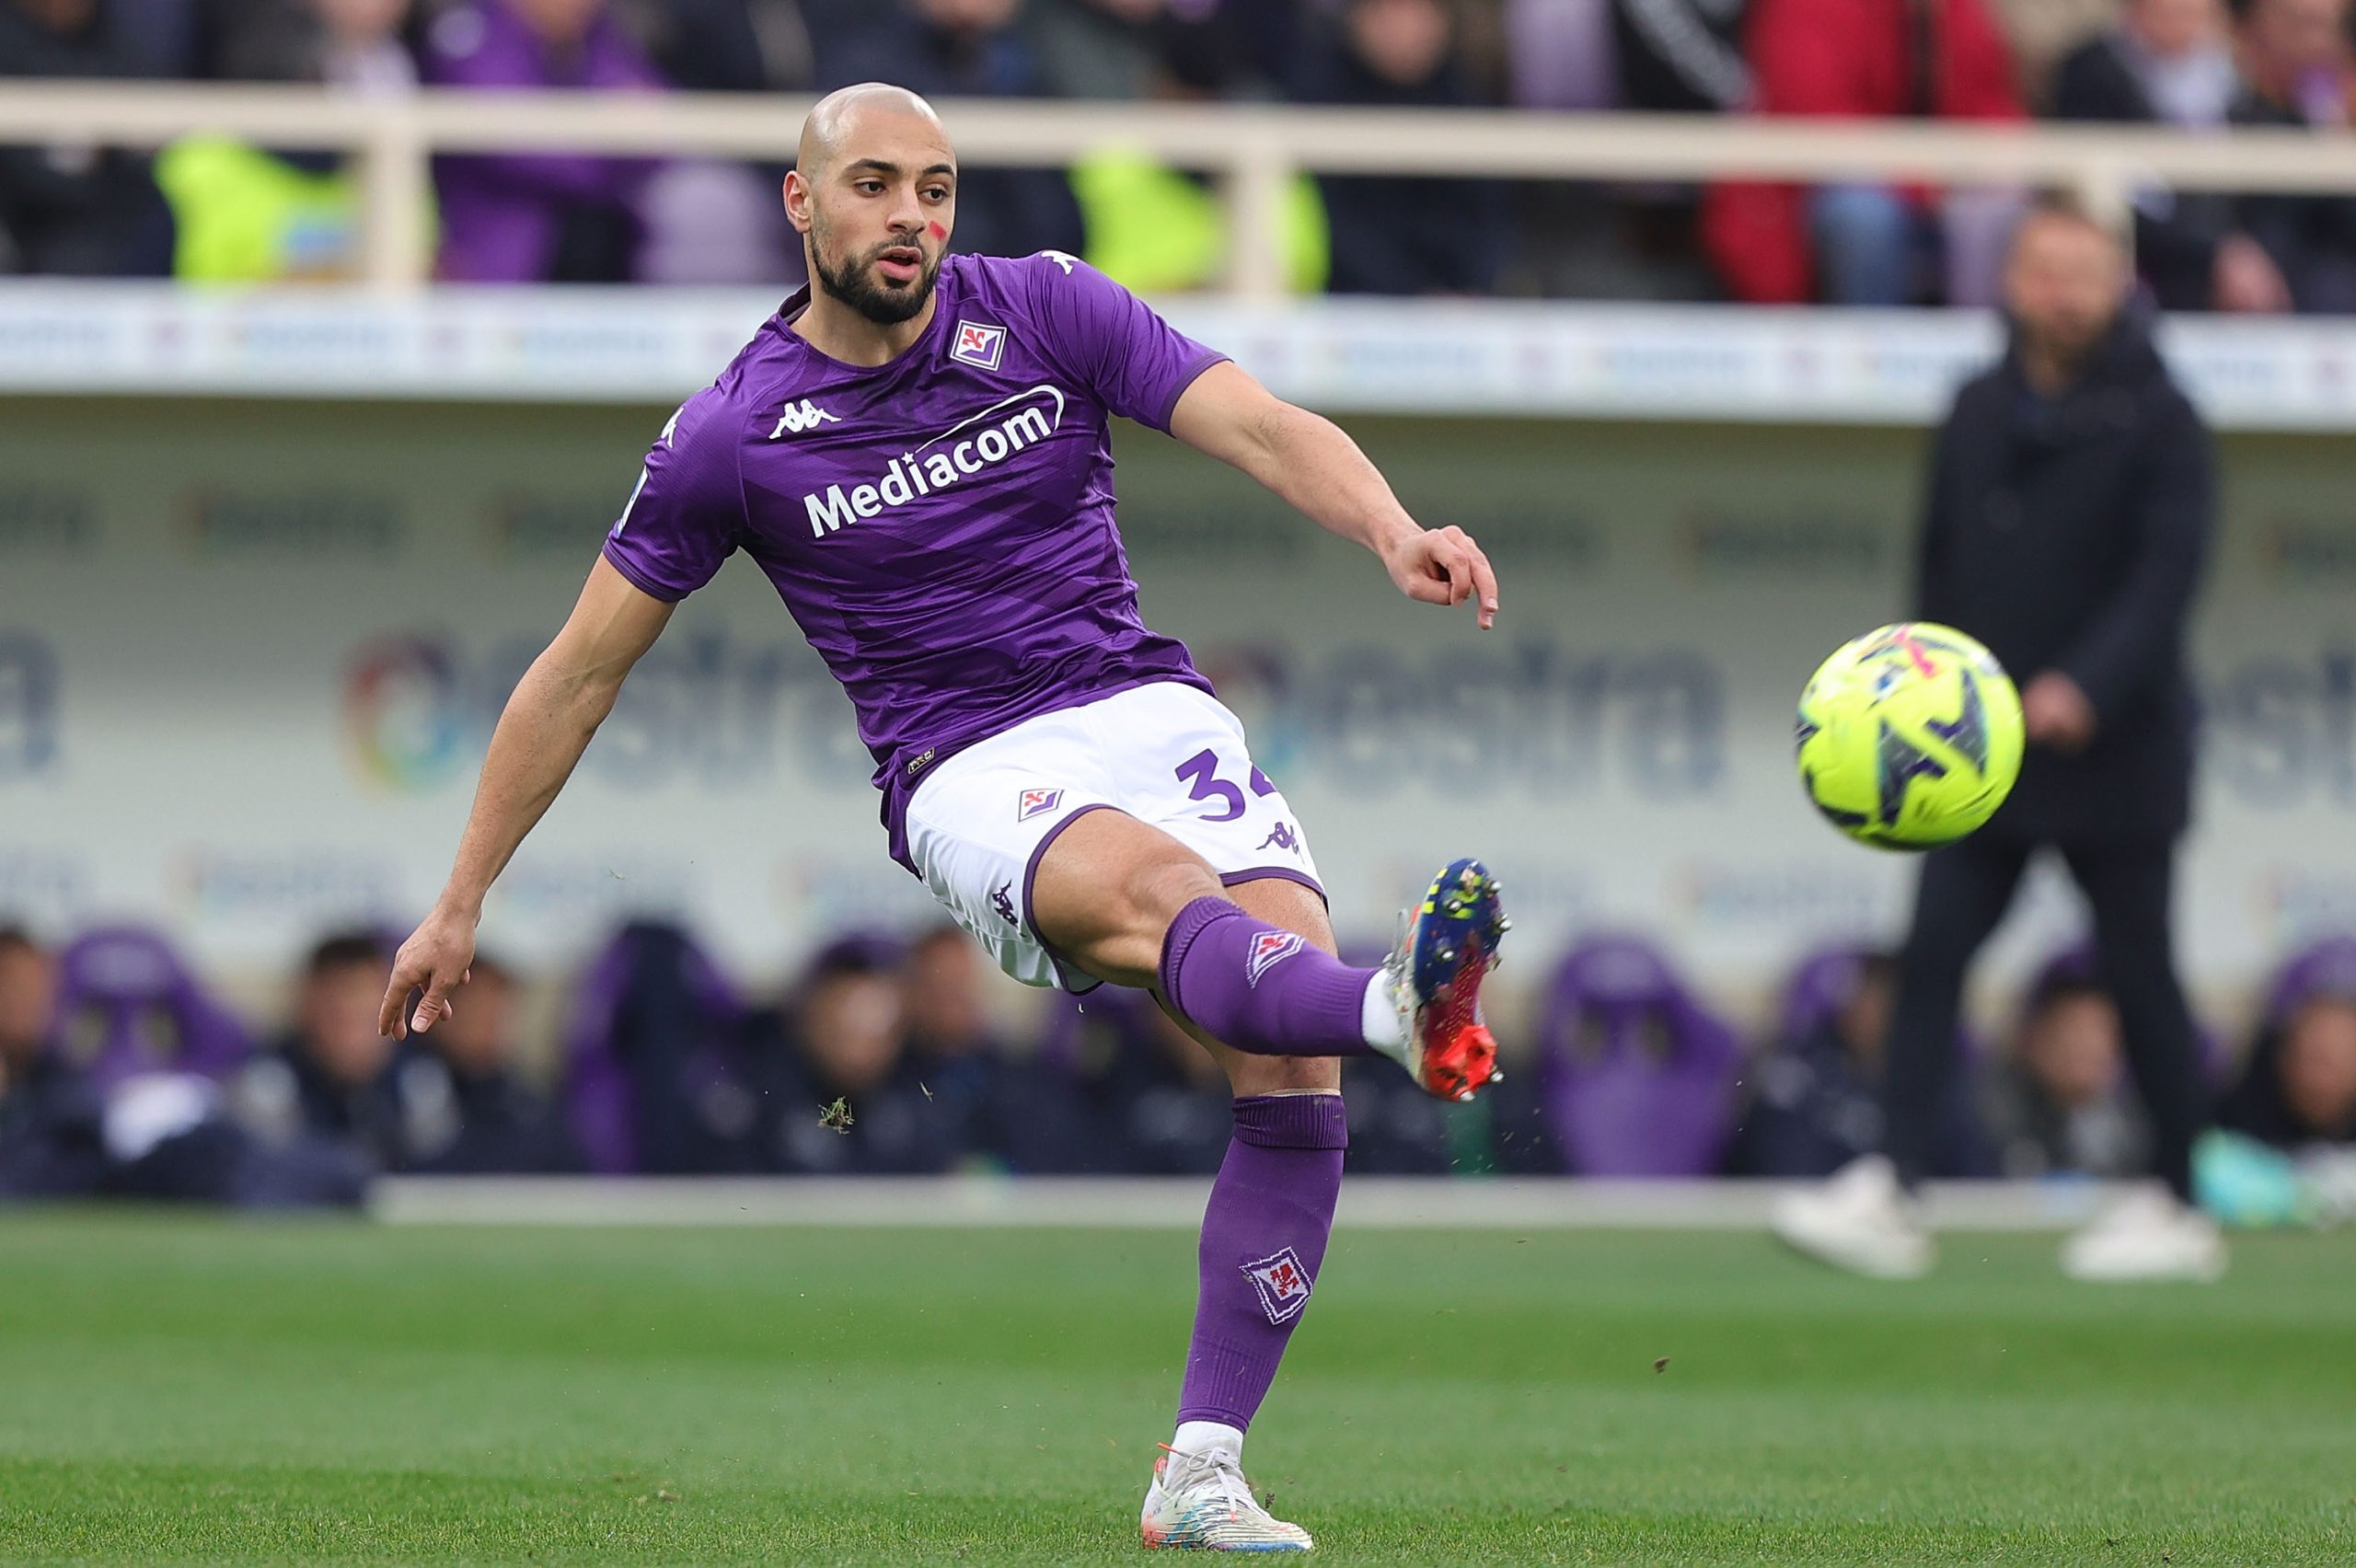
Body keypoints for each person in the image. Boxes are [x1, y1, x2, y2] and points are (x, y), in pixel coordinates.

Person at [377, 83, 1510, 1551]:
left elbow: (1259, 424)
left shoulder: (1043, 307)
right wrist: (461, 896)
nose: (909, 215)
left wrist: (1392, 527)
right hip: (971, 766)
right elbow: (578, 672)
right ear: (802, 205)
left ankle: (1204, 1467)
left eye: (934, 186)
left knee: (1290, 1071)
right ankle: (1401, 1010)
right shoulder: (733, 432)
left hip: (1146, 709)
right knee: (1181, 901)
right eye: (872, 186)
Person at [1773, 194, 2223, 1283]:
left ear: (2117, 280)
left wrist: (2082, 690)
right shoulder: (1975, 405)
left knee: (2139, 972)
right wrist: (1907, 684)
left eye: (2077, 270)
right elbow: (1936, 574)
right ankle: (1895, 1185)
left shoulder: (2165, 419)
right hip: (1975, 760)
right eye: (2036, 268)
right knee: (1930, 962)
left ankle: (2177, 1199)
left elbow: (2164, 585)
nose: (2054, 291)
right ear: (2009, 278)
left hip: (2117, 754)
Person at [2050, 0, 2291, 313]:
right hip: (2151, 245)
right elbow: (2115, 180)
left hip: (2238, 241)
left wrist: (2245, 246)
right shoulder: (2091, 70)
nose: (2181, 16)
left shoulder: (2238, 74)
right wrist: (2213, 250)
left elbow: (2267, 176)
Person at [1978, 959, 2151, 1181]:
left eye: (2104, 1032)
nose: (2092, 1046)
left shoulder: (2125, 1123)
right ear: (2033, 1034)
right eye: (2074, 1030)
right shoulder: (1987, 1115)